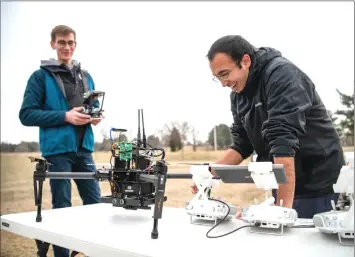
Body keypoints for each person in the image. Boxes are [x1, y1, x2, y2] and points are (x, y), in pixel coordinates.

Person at [192, 35, 345, 219]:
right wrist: (209, 173)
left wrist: (283, 213)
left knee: (297, 239)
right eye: (217, 78)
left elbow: (283, 141)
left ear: (245, 61)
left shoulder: (282, 75)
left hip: (317, 182)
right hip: (281, 180)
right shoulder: (238, 94)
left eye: (225, 74)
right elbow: (242, 144)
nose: (224, 84)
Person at [19, 25, 102, 257]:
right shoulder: (39, 77)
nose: (67, 47)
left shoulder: (86, 77)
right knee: (62, 209)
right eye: (62, 42)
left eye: (71, 42)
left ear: (76, 45)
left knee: (96, 206)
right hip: (57, 152)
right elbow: (26, 114)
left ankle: (85, 250)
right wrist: (65, 116)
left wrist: (93, 116)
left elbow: (91, 106)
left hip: (84, 149)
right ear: (53, 44)